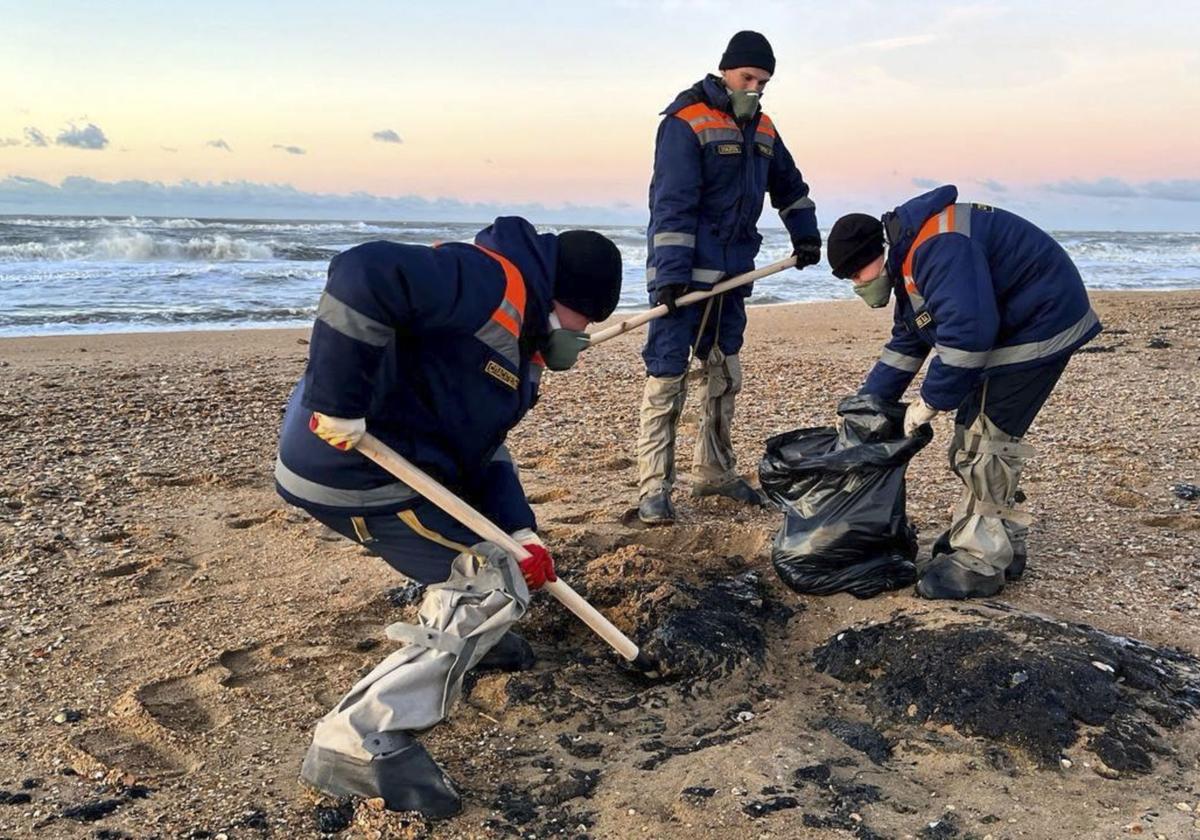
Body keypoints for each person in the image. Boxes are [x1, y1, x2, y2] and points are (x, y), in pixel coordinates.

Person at [274, 217, 623, 817]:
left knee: (505, 563)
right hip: (355, 470)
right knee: (490, 582)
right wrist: (339, 402)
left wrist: (520, 530)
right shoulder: (486, 281)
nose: (582, 338)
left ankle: (471, 640)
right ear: (564, 297)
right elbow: (363, 273)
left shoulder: (524, 351)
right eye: (583, 322)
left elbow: (484, 450)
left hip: (414, 472)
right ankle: (354, 736)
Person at [826, 185, 1102, 600]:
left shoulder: (937, 249)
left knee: (984, 441)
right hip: (1015, 322)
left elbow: (969, 335)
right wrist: (867, 405)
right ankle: (1002, 541)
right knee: (975, 437)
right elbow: (909, 341)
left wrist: (929, 403)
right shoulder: (910, 259)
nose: (856, 285)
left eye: (855, 275)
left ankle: (981, 561)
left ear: (875, 255)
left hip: (1040, 324)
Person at [636, 30, 821, 525]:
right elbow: (671, 204)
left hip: (734, 275)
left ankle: (714, 472)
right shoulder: (685, 121)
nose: (755, 88)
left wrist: (805, 235)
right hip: (685, 276)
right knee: (667, 375)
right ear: (726, 71)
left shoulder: (763, 129)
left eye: (763, 82)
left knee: (723, 372)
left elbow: (791, 187)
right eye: (748, 78)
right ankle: (654, 488)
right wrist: (671, 276)